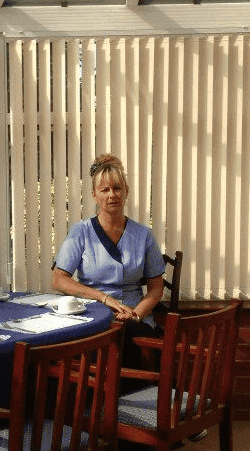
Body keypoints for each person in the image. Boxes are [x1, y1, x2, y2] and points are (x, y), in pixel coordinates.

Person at [51, 152, 165, 368]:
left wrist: (136, 314)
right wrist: (104, 299)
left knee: (122, 340)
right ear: (95, 195)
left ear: (126, 192)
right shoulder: (81, 232)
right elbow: (58, 279)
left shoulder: (144, 235)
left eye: (117, 188)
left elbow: (156, 288)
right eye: (105, 190)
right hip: (93, 314)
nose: (112, 195)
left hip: (134, 317)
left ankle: (125, 399)